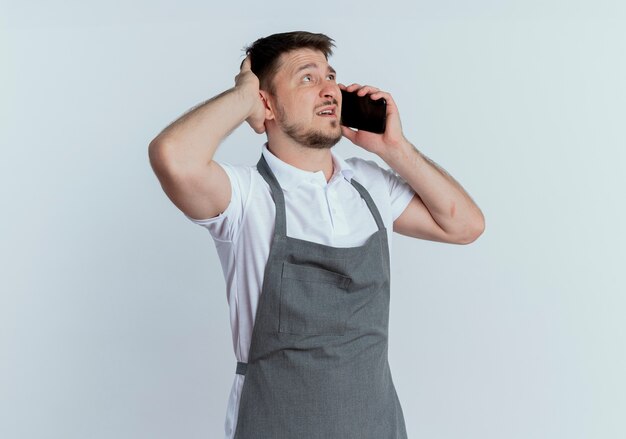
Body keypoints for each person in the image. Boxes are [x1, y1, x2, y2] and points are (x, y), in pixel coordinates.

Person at [148, 31, 484, 439]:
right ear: (266, 103)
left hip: (376, 427)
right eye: (307, 78)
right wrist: (242, 96)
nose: (330, 90)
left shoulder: (371, 185)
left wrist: (394, 148)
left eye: (331, 76)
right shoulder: (243, 197)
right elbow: (173, 157)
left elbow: (465, 225)